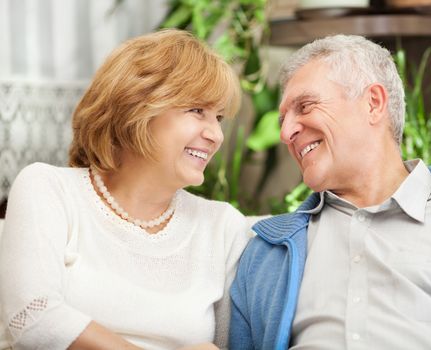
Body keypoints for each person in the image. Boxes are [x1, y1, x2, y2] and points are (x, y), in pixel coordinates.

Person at [229, 34, 431, 349]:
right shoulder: (265, 254)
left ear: (373, 103)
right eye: (283, 120)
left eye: (305, 106)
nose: (286, 133)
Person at [0, 29, 251, 350]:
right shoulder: (48, 189)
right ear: (136, 106)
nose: (216, 135)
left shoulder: (223, 226)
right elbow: (32, 319)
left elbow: (227, 345)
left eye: (218, 118)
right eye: (197, 111)